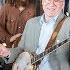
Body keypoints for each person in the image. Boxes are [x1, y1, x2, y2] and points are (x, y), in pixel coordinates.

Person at [0, 0, 70, 70]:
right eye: (48, 0)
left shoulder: (68, 24)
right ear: (42, 2)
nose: (51, 4)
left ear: (62, 4)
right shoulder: (31, 23)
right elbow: (21, 49)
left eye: (56, 0)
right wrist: (8, 52)